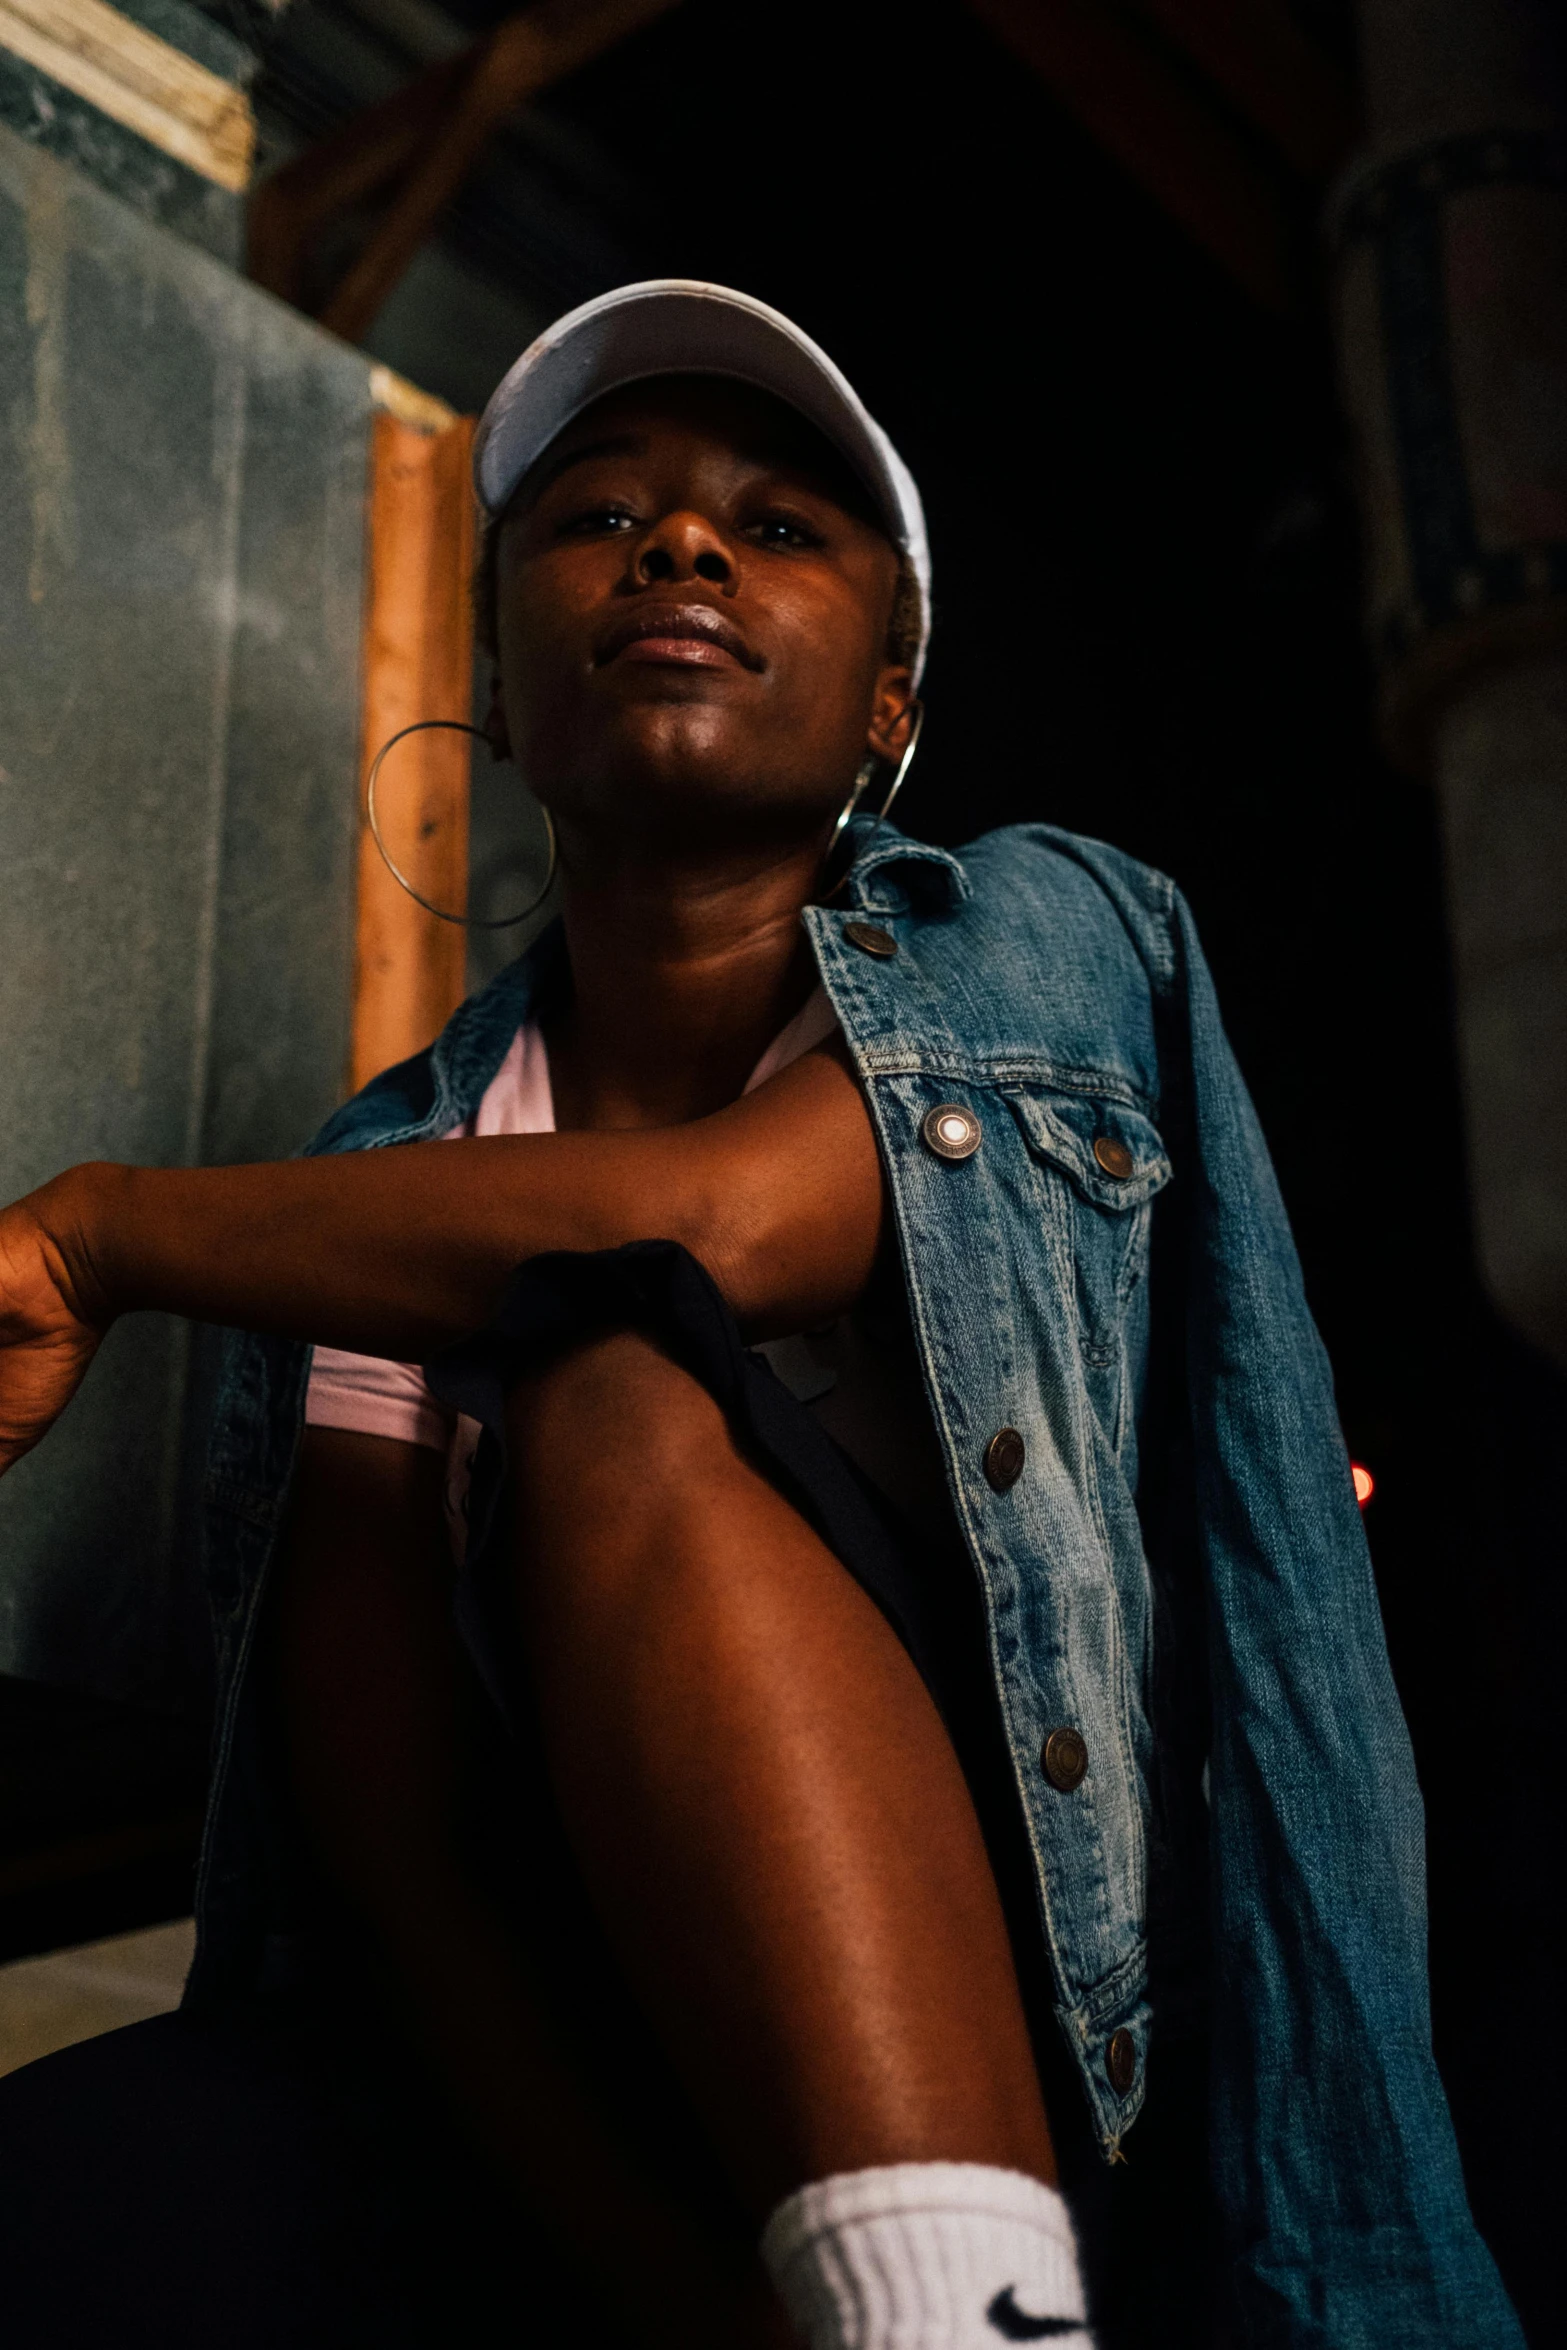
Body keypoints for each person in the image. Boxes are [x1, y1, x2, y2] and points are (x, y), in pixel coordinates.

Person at [0, 282, 1521, 2350]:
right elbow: (401, 1852)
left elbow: (709, 1228)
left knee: (612, 1363)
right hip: (613, 2070)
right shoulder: (386, 1173)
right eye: (598, 516)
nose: (683, 547)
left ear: (888, 700)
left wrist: (99, 1234)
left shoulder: (1054, 928)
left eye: (778, 529)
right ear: (508, 689)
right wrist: (680, 2292)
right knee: (90, 2182)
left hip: (1092, 2045)